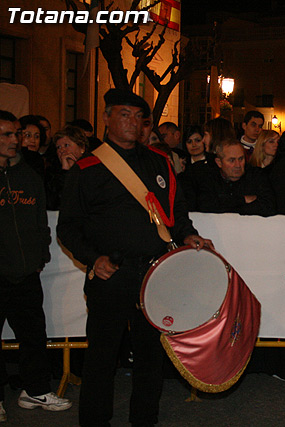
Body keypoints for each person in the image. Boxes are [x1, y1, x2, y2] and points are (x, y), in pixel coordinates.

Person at [57, 89, 213, 426]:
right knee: (102, 356)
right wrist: (92, 258)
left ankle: (145, 418)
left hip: (154, 273)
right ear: (107, 118)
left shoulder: (158, 162)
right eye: (124, 114)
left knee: (150, 355)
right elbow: (67, 227)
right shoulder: (87, 168)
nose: (132, 122)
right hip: (111, 274)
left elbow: (176, 211)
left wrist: (186, 233)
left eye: (137, 116)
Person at [0, 110, 72, 421]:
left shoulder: (29, 173)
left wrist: (40, 254)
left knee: (33, 335)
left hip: (27, 272)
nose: (14, 140)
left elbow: (40, 219)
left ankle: (35, 390)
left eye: (16, 133)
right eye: (6, 135)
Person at [180, 139, 275, 216]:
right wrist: (243, 200)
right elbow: (206, 205)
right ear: (219, 162)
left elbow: (269, 207)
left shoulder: (256, 175)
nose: (238, 165)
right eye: (232, 160)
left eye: (241, 159)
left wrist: (228, 204)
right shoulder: (208, 177)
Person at [45, 126, 88, 210]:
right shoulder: (51, 173)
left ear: (82, 148)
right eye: (58, 147)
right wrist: (65, 172)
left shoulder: (92, 170)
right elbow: (53, 203)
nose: (62, 150)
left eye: (66, 145)